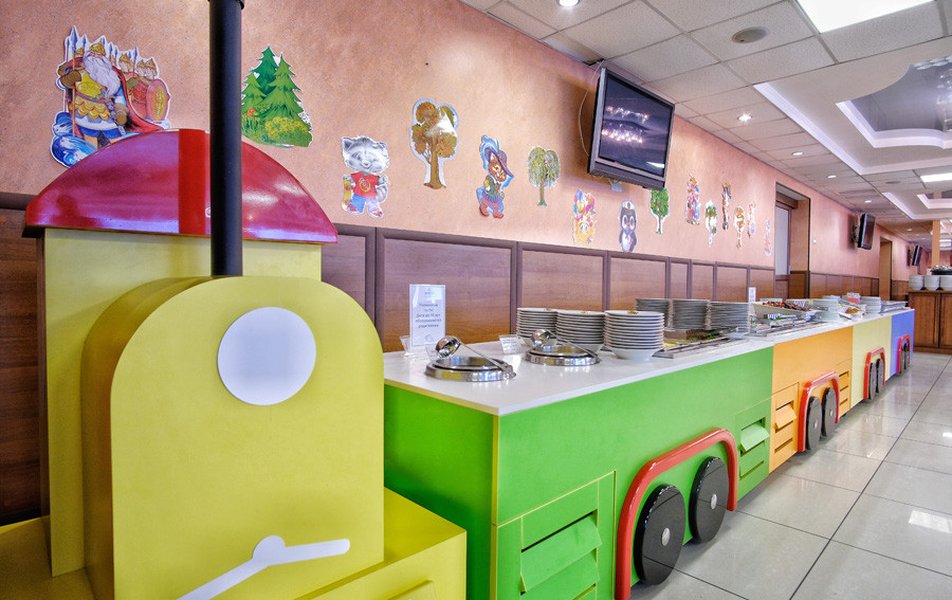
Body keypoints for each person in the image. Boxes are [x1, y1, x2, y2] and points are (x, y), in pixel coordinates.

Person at [57, 40, 128, 148]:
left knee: (115, 138)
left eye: (98, 55)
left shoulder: (111, 77)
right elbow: (62, 85)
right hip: (84, 111)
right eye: (92, 54)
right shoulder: (79, 72)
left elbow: (119, 95)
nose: (94, 57)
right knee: (90, 139)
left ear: (103, 59)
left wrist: (120, 110)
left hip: (107, 112)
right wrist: (68, 79)